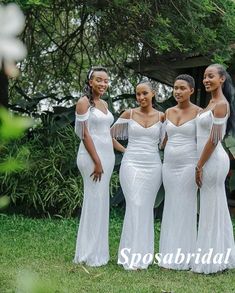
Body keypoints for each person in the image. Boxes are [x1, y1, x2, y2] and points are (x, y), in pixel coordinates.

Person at [111, 80, 164, 270]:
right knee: (134, 204)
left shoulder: (162, 117)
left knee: (146, 207)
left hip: (153, 166)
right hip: (131, 164)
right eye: (138, 94)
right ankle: (129, 255)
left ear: (153, 94)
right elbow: (109, 135)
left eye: (144, 93)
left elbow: (165, 141)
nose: (141, 97)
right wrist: (125, 151)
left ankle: (144, 255)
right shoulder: (129, 114)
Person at [191, 64, 235, 274]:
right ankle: (219, 255)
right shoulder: (211, 102)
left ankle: (212, 259)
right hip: (206, 158)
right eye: (205, 77)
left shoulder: (221, 105)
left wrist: (199, 165)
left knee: (211, 206)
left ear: (222, 79)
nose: (206, 80)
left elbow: (214, 139)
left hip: (213, 160)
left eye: (211, 76)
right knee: (213, 206)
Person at [159, 74, 201, 270]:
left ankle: (185, 256)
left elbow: (203, 141)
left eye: (182, 88)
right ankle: (168, 254)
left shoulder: (200, 113)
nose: (177, 91)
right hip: (169, 165)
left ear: (191, 90)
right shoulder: (167, 112)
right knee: (171, 205)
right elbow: (164, 139)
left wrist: (200, 167)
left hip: (188, 164)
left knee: (185, 206)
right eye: (175, 88)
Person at [74, 66, 115, 266]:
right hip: (91, 158)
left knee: (100, 202)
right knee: (94, 200)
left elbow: (107, 133)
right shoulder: (83, 103)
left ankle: (99, 250)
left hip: (107, 157)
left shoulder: (104, 103)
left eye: (106, 81)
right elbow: (84, 134)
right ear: (90, 82)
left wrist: (125, 151)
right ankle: (88, 253)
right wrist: (97, 161)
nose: (103, 84)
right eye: (99, 80)